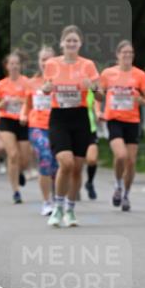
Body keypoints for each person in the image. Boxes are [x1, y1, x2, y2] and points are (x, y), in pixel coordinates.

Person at [42, 25, 100, 227]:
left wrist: (92, 86)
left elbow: (100, 94)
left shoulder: (88, 65)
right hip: (59, 117)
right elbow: (45, 88)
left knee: (76, 168)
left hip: (80, 117)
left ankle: (70, 208)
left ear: (80, 44)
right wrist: (46, 88)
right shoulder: (51, 64)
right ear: (62, 44)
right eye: (68, 41)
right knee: (65, 162)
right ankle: (57, 207)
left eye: (75, 41)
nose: (71, 44)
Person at [99, 40, 145, 211]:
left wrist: (140, 100)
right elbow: (97, 95)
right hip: (114, 120)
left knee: (131, 162)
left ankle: (126, 194)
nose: (127, 55)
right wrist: (97, 110)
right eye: (124, 53)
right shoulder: (108, 74)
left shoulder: (140, 75)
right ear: (117, 55)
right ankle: (118, 185)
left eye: (130, 53)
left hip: (132, 121)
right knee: (121, 156)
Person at [22, 45, 57, 215]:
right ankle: (46, 202)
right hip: (37, 126)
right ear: (39, 62)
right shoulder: (31, 83)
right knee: (45, 156)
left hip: (57, 126)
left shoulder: (60, 81)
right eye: (43, 59)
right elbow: (26, 105)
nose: (46, 62)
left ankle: (58, 197)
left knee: (58, 164)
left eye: (49, 59)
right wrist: (23, 115)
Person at [0, 51, 32, 203]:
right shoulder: (1, 84)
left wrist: (21, 101)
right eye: (12, 64)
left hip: (23, 121)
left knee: (24, 159)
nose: (14, 66)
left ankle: (20, 171)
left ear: (21, 66)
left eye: (17, 63)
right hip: (6, 121)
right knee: (13, 155)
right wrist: (2, 103)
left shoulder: (27, 82)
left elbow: (32, 102)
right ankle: (16, 191)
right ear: (7, 66)